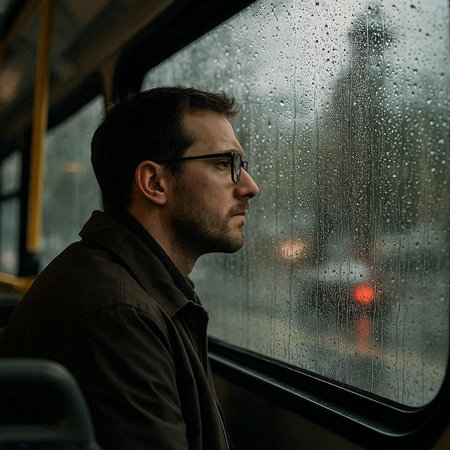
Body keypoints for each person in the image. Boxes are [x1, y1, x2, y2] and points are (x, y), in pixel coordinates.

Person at [0, 87, 259, 449]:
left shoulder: (131, 286)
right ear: (154, 183)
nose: (250, 186)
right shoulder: (119, 313)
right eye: (224, 164)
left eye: (242, 166)